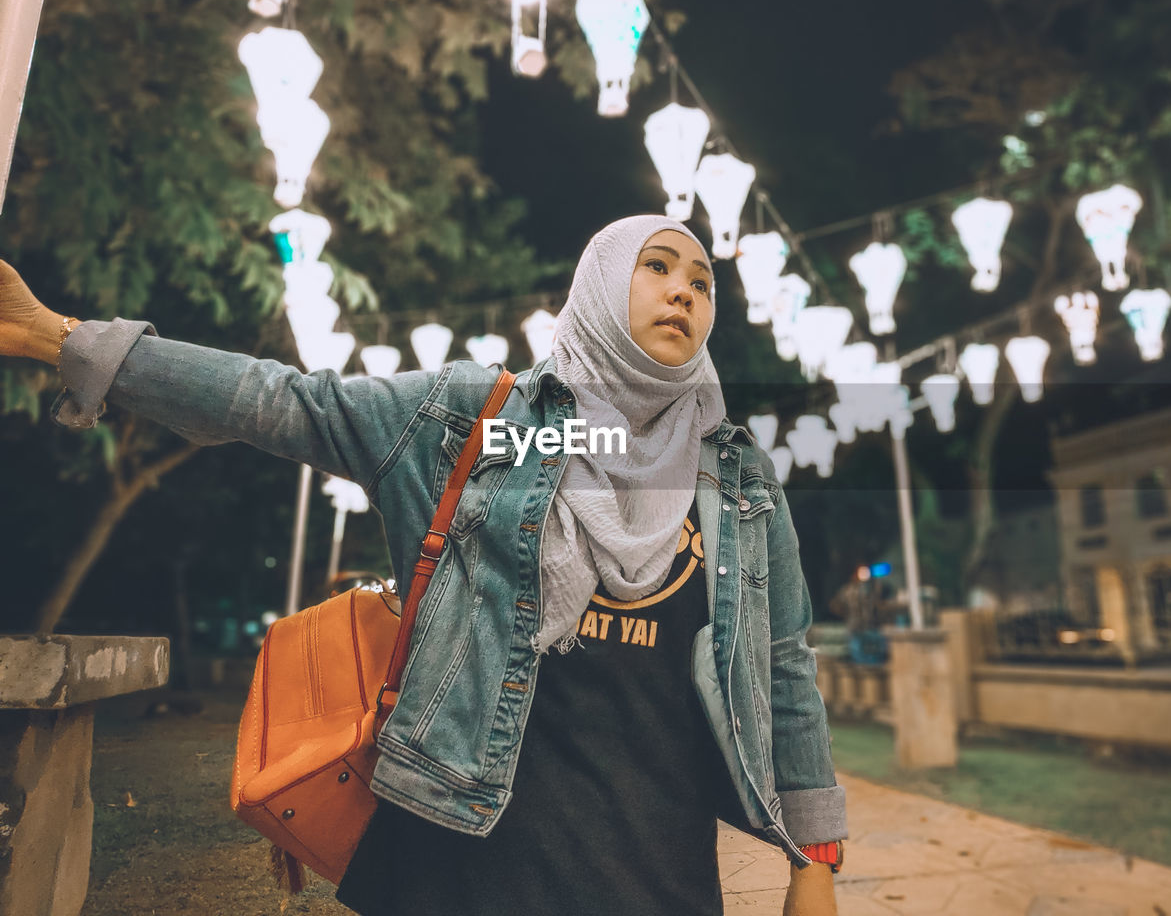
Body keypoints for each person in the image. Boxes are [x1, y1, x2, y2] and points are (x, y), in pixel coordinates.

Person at [0, 215, 846, 915]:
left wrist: (813, 861)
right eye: (657, 266)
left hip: (658, 872)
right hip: (464, 856)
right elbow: (280, 401)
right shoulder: (470, 419)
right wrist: (58, 337)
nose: (684, 292)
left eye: (702, 283)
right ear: (596, 289)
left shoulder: (732, 476)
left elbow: (781, 661)